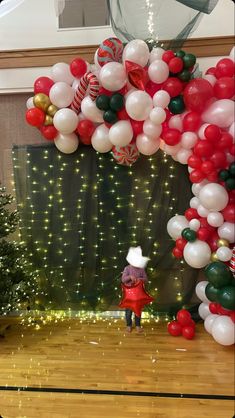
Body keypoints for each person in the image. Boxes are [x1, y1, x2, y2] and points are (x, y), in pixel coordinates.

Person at [121, 246, 149, 333]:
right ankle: (129, 325)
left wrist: (140, 279)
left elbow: (146, 279)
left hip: (138, 294)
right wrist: (129, 277)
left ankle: (138, 325)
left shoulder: (141, 269)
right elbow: (123, 279)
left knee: (138, 310)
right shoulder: (127, 268)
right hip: (129, 295)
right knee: (128, 311)